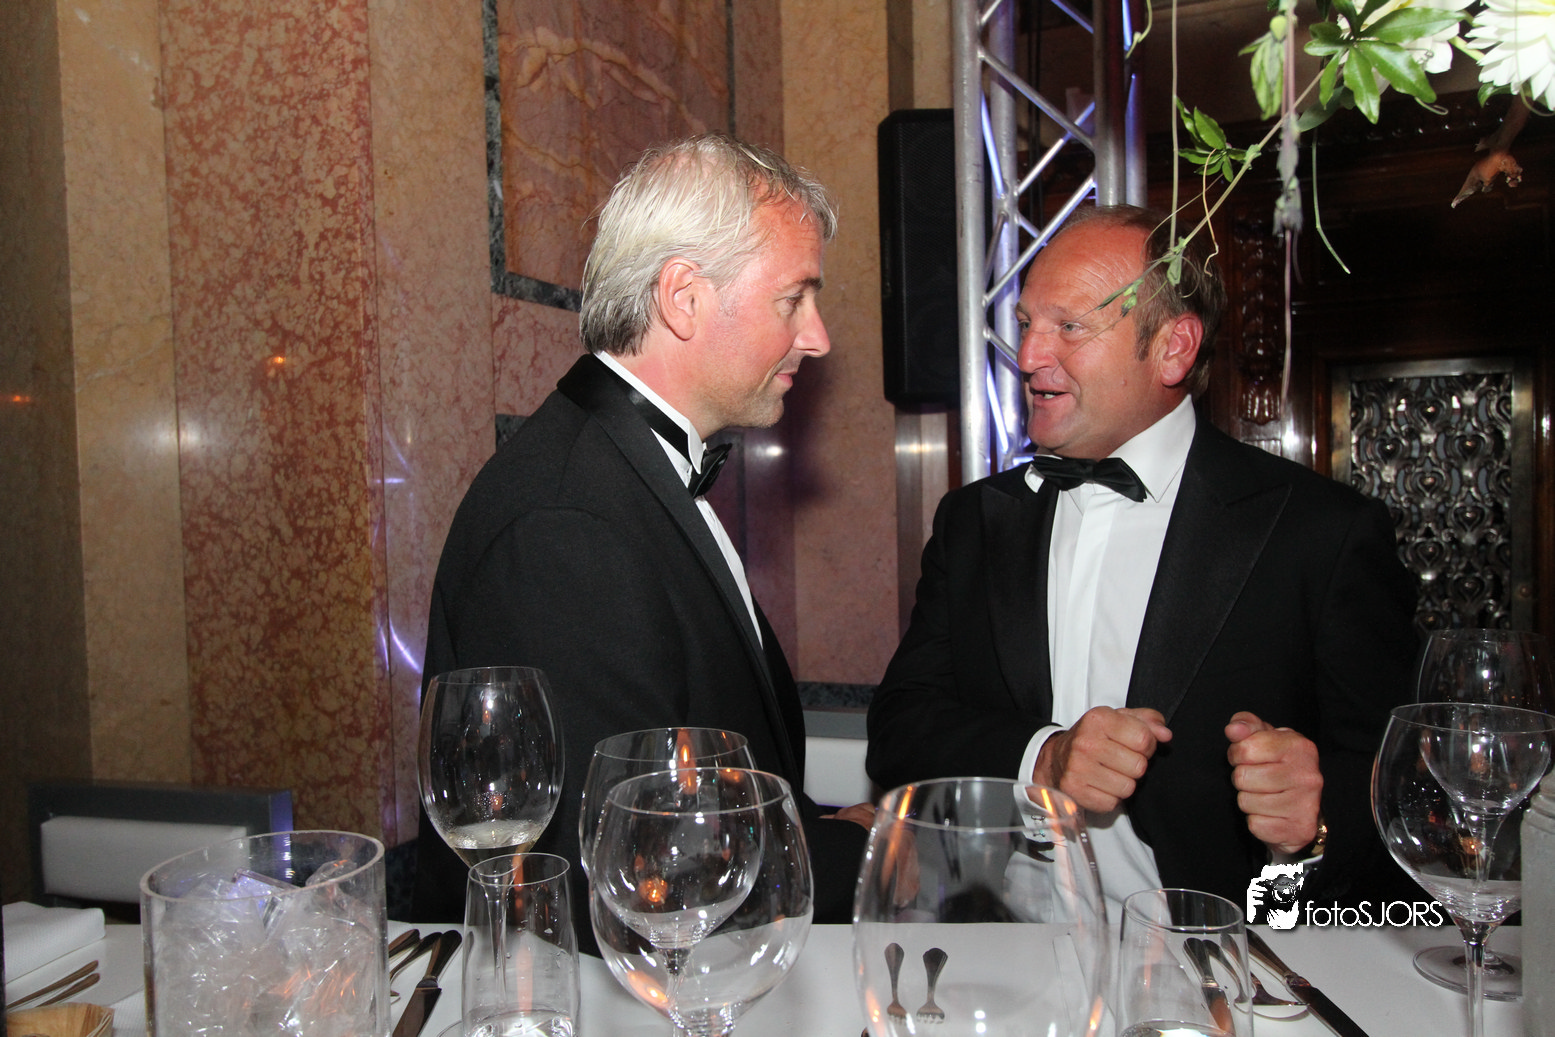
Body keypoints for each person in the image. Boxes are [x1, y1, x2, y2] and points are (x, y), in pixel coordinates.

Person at [867, 204, 1419, 915]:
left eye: (1069, 326)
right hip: (1000, 948)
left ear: (1172, 347)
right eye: (1027, 323)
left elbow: (1403, 782)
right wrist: (1043, 759)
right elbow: (901, 730)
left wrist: (1315, 822)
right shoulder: (974, 519)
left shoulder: (1319, 531)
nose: (1027, 356)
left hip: (1218, 956)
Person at [411, 134, 870, 944]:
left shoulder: (622, 471)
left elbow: (694, 780)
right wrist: (862, 852)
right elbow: (616, 863)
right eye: (792, 299)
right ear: (683, 297)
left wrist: (818, 826)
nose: (817, 336)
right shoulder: (567, 523)